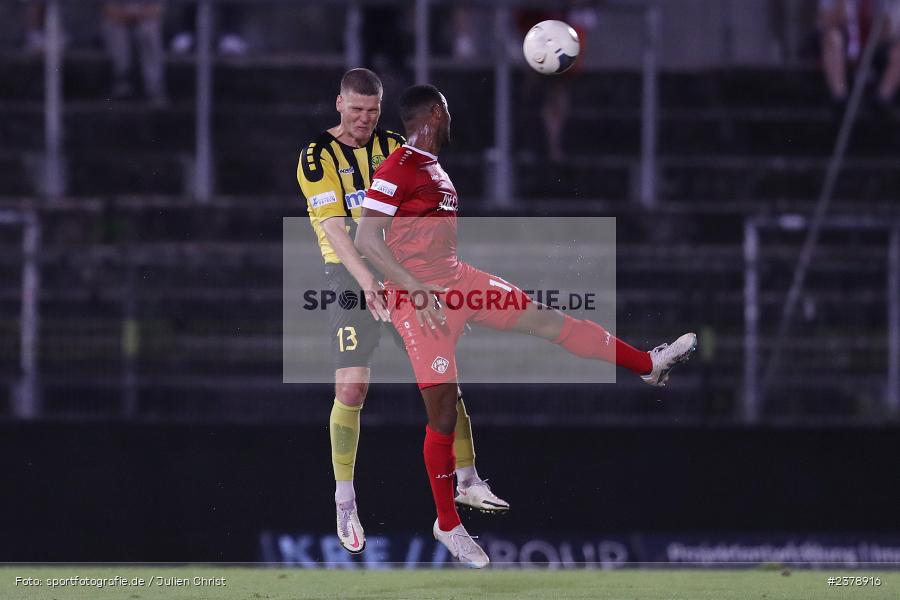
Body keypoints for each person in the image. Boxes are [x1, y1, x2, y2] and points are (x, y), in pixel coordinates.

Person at [355, 84, 697, 568]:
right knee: (443, 413)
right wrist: (413, 288)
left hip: (458, 283)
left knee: (548, 319)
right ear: (434, 113)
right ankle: (447, 523)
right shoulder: (399, 166)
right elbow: (368, 238)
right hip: (419, 303)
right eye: (448, 112)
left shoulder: (434, 169)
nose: (452, 120)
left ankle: (648, 364)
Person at [296, 69, 509, 555]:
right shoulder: (316, 157)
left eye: (372, 111)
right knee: (352, 385)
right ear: (338, 104)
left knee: (444, 382)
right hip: (350, 276)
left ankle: (469, 477)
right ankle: (345, 499)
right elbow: (333, 230)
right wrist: (368, 280)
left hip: (401, 271)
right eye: (355, 110)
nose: (364, 120)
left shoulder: (396, 146)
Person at [819, 0, 900, 112]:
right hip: (845, 44)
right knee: (832, 38)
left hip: (877, 45)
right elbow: (827, 23)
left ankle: (882, 99)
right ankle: (840, 98)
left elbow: (892, 31)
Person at [101, 0, 167, 106]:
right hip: (118, 22)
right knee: (117, 30)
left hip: (144, 21)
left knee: (148, 31)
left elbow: (157, 10)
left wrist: (136, 14)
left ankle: (154, 89)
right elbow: (109, 11)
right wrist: (128, 15)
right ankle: (122, 83)